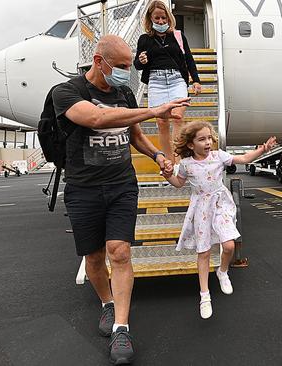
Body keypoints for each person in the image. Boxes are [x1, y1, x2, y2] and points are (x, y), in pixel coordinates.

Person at [53, 34, 188, 365]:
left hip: (121, 185)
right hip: (83, 188)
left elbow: (135, 136)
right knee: (95, 258)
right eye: (124, 66)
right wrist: (154, 109)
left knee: (120, 252)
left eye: (130, 66)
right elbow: (98, 119)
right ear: (100, 62)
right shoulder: (66, 93)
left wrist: (158, 156)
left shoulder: (125, 93)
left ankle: (121, 327)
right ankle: (107, 302)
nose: (128, 72)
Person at [162, 121, 276, 319]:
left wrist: (262, 150)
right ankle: (204, 295)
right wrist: (167, 176)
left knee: (229, 246)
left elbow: (243, 158)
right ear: (190, 145)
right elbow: (179, 183)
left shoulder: (218, 156)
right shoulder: (187, 164)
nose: (208, 142)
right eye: (202, 139)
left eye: (209, 138)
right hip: (201, 207)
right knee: (204, 251)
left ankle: (222, 271)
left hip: (220, 203)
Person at [134, 0, 202, 163]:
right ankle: (167, 162)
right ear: (150, 19)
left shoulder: (178, 36)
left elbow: (189, 59)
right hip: (156, 81)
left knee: (178, 117)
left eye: (164, 18)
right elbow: (137, 64)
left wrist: (196, 80)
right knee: (161, 122)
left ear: (169, 18)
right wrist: (141, 60)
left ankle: (179, 163)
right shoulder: (144, 39)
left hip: (176, 79)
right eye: (157, 18)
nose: (161, 22)